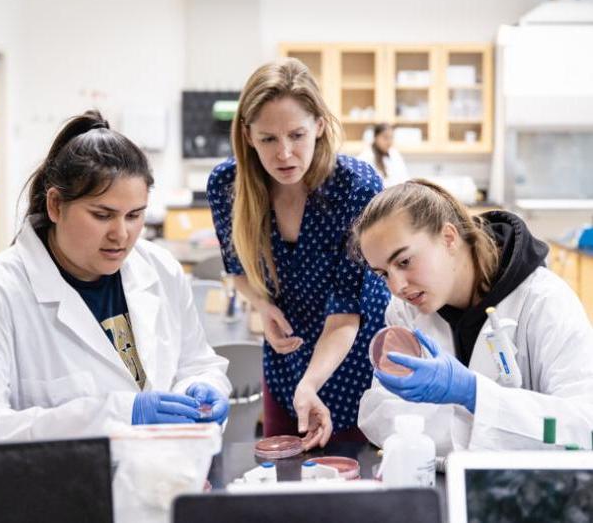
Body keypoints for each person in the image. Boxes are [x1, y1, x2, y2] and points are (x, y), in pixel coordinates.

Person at [0, 110, 231, 443]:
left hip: (166, 476)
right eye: (102, 215)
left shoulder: (160, 269)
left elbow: (196, 361)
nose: (121, 234)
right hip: (62, 489)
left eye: (135, 215)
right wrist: (113, 417)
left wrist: (203, 387)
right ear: (55, 205)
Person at [207, 58, 389, 449]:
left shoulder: (354, 186)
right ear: (248, 135)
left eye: (297, 135)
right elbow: (237, 267)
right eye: (269, 138)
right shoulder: (228, 185)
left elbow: (346, 312)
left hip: (354, 355)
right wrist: (261, 306)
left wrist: (311, 384)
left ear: (320, 126)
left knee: (353, 483)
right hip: (285, 358)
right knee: (283, 483)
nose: (285, 154)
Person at [353, 179, 593, 454]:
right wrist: (492, 420)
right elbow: (381, 414)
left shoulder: (544, 301)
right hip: (438, 484)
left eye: (404, 261)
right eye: (383, 274)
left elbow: (584, 425)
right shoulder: (404, 310)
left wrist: (474, 394)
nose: (396, 287)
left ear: (449, 238)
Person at [358, 123, 409, 188]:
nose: (389, 141)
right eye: (385, 137)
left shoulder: (394, 154)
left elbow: (404, 178)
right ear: (376, 137)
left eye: (391, 137)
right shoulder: (366, 157)